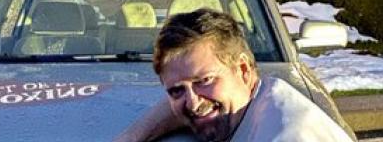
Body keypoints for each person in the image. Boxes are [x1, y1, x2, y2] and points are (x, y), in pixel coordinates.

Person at [114, 9, 353, 142]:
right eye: (177, 90)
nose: (194, 103)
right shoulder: (262, 95)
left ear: (243, 70)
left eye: (204, 81)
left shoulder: (287, 135)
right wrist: (132, 136)